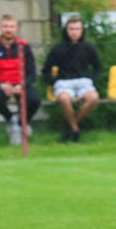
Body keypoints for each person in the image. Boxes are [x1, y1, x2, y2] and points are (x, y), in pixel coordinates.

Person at [42, 15, 101, 143]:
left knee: (93, 98)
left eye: (77, 29)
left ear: (82, 31)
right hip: (64, 83)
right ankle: (75, 128)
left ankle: (71, 127)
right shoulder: (58, 48)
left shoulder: (88, 47)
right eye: (71, 29)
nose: (74, 32)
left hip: (83, 82)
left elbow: (98, 67)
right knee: (64, 99)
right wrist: (55, 82)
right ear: (66, 30)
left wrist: (91, 79)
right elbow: (46, 70)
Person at [0, 14, 40, 145]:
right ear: (0, 28)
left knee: (34, 100)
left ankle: (22, 123)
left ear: (16, 29)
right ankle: (11, 119)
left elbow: (32, 73)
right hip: (2, 85)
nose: (8, 29)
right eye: (5, 26)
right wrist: (1, 85)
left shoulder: (24, 46)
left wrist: (22, 86)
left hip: (21, 85)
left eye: (11, 26)